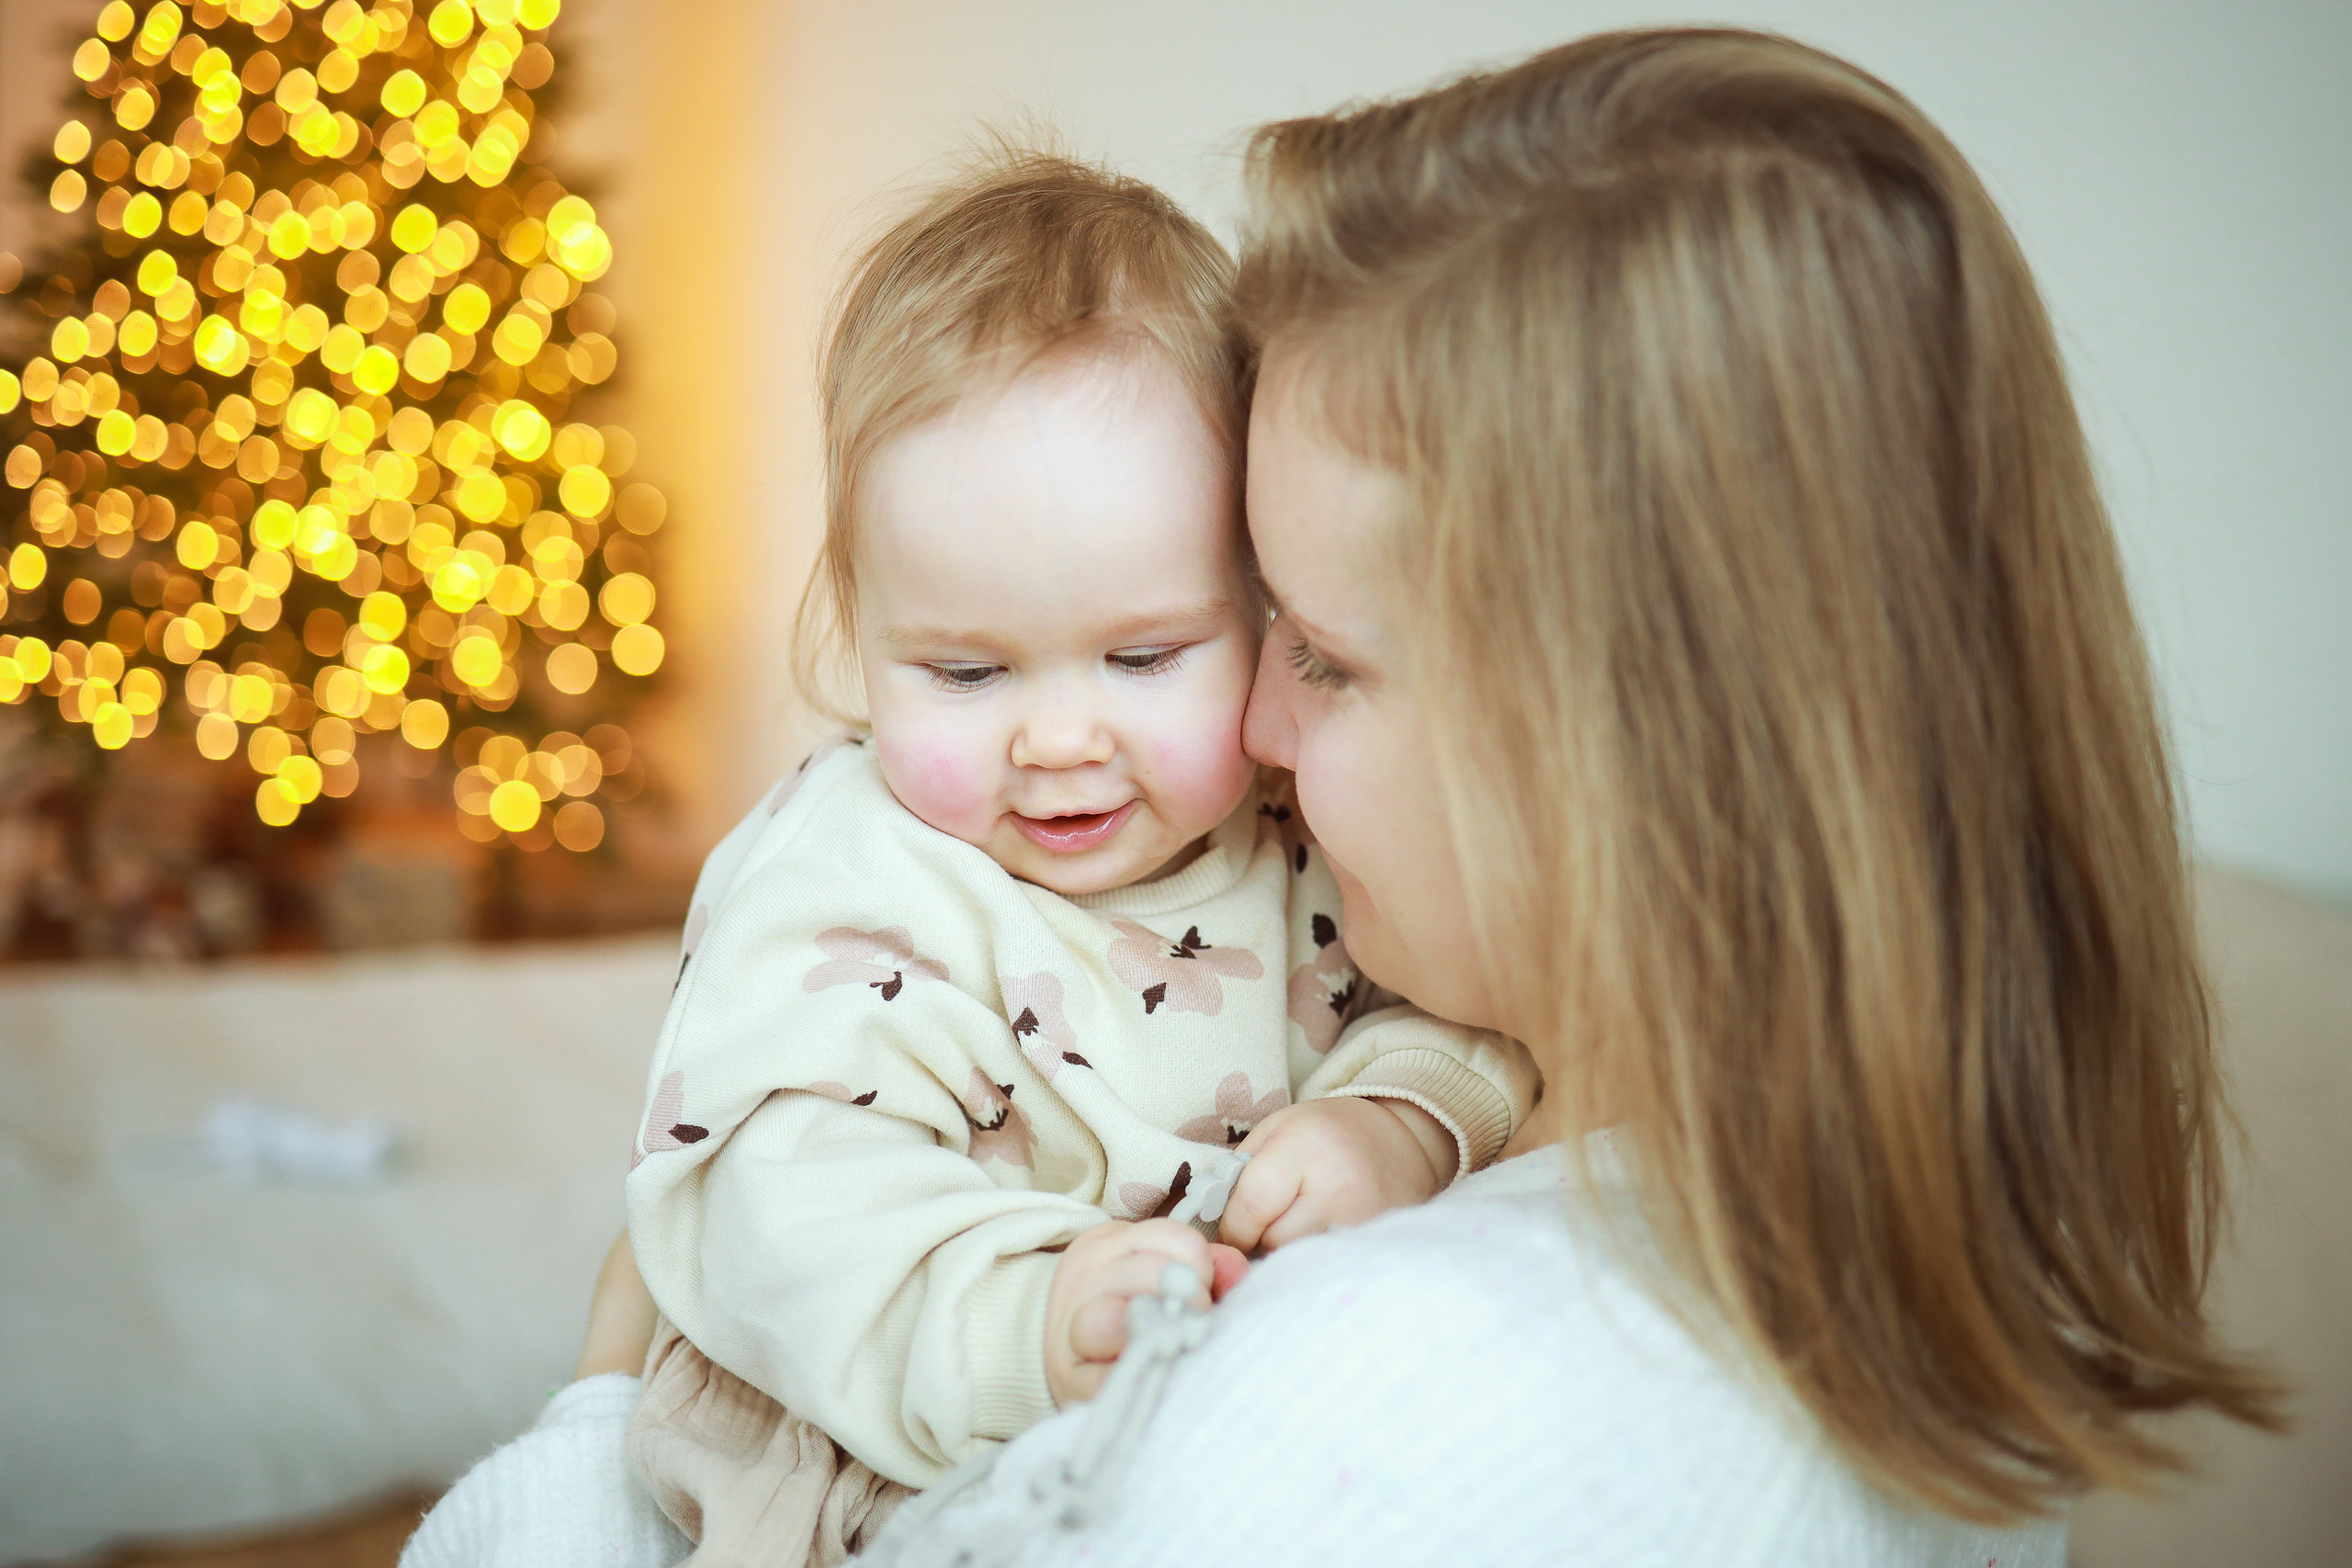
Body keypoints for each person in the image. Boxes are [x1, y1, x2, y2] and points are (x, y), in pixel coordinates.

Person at [405, 27, 2280, 1568]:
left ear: (1614, 743)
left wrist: (573, 1436)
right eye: (968, 666)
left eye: (1298, 645)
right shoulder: (1912, 1267)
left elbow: (1395, 1055)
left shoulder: (1370, 1403)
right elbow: (780, 1206)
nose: (1267, 747)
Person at [623, 152, 1534, 1564]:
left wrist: (1397, 1123)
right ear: (856, 636)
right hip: (872, 1452)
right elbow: (780, 1213)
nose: (1057, 740)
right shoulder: (854, 880)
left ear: (1262, 605)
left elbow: (1457, 1004)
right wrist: (1026, 1325)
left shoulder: (1300, 829)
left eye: (1144, 656)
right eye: (968, 672)